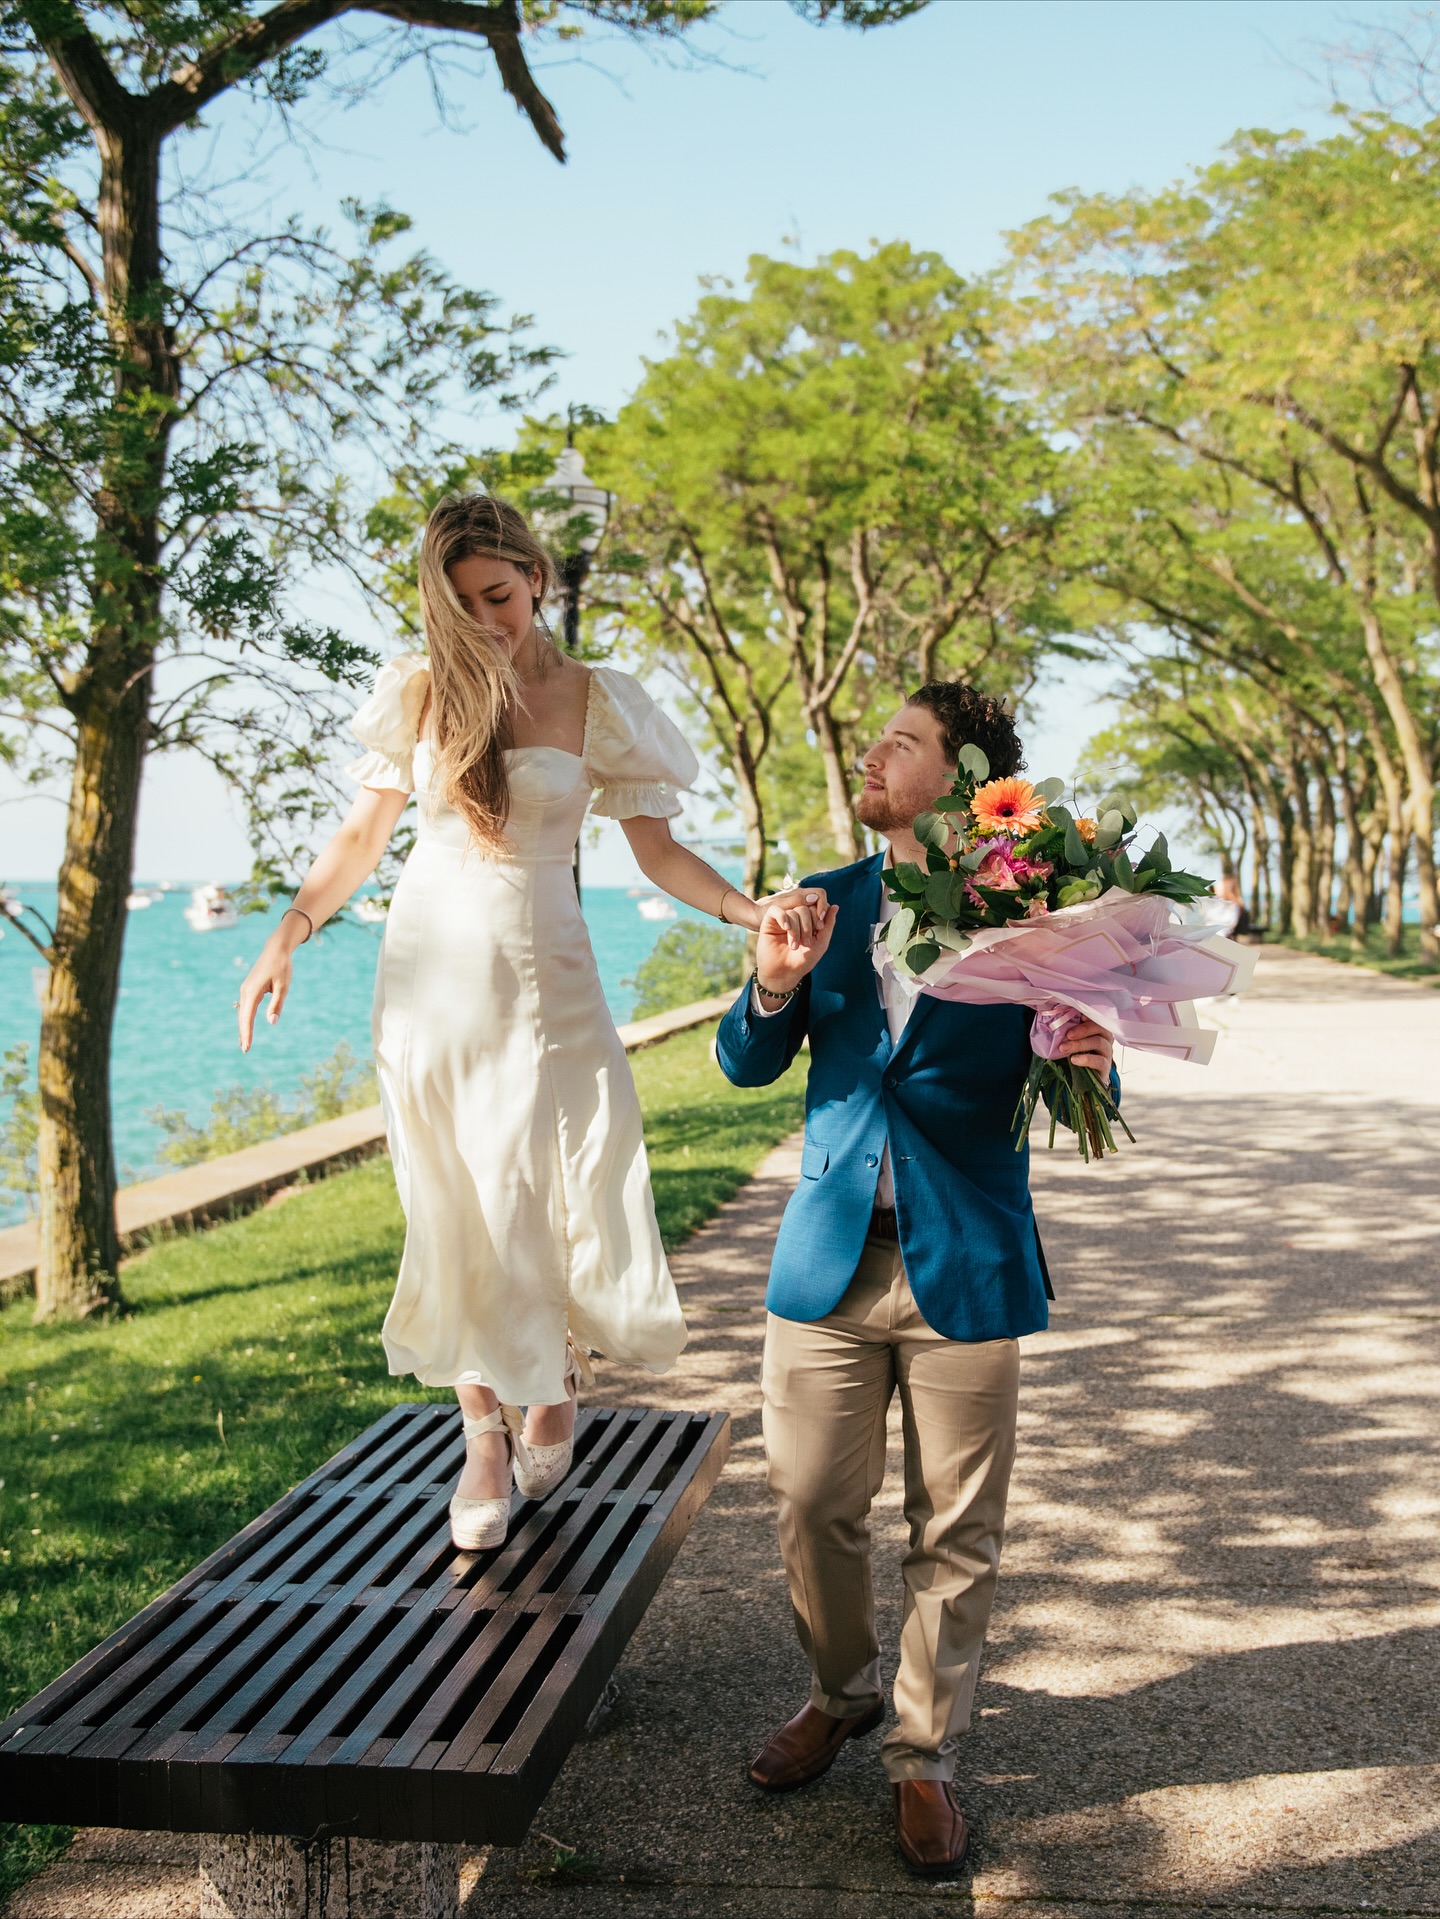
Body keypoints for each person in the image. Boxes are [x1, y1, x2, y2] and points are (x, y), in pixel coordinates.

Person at [237, 492, 826, 1553]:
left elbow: (656, 852)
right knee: (453, 1194)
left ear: (538, 578)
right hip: (426, 979)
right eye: (462, 603)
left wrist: (751, 910)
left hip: (546, 974)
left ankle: (551, 1373)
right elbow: (362, 835)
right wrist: (288, 930)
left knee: (552, 1178)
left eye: (499, 595)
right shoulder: (420, 695)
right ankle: (481, 1435)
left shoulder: (599, 699)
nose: (486, 620)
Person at [716, 683, 1117, 1878]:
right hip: (830, 1261)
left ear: (961, 777)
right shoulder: (820, 901)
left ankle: (924, 1754)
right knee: (808, 1503)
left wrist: (1089, 1057)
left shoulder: (1031, 919)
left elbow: (1077, 1082)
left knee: (958, 1530)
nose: (872, 751)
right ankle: (839, 1694)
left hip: (968, 1255)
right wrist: (774, 982)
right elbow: (744, 1060)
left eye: (902, 740)